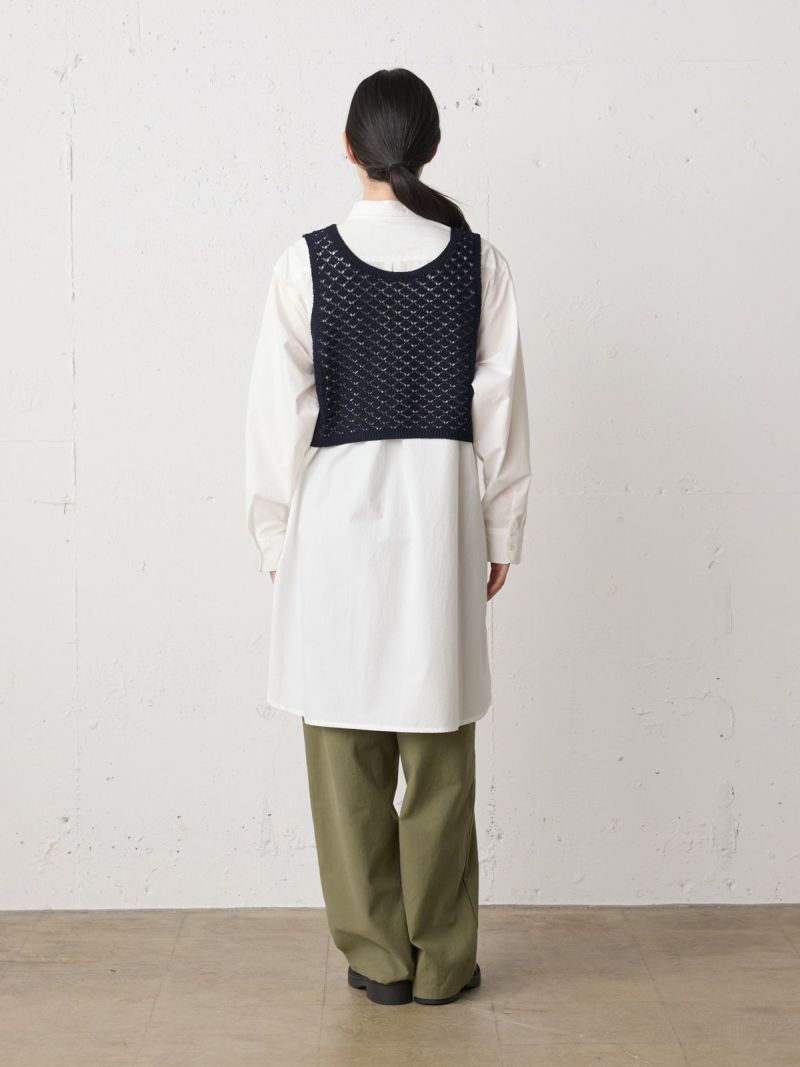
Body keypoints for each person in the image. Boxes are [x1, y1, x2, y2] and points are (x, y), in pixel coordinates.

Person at [245, 67, 531, 1007]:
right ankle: (443, 958)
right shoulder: (477, 262)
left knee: (343, 752)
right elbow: (502, 412)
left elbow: (274, 423)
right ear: (432, 146)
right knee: (440, 746)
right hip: (440, 523)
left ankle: (379, 958)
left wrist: (276, 541)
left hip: (332, 528)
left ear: (348, 145)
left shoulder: (305, 263)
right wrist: (501, 528)